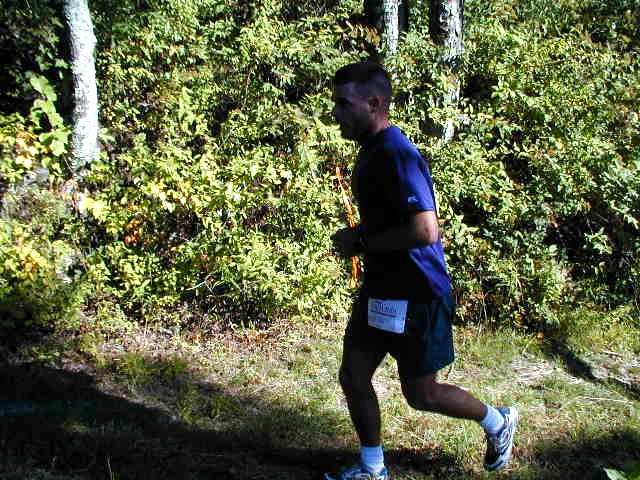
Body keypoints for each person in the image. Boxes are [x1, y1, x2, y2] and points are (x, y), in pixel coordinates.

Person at [326, 61, 518, 480]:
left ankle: (497, 421)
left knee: (423, 394)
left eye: (343, 103)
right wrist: (361, 237)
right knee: (354, 375)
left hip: (418, 294)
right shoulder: (371, 150)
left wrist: (360, 241)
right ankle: (372, 468)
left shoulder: (397, 154)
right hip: (381, 288)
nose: (336, 113)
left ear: (374, 103)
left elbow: (425, 230)